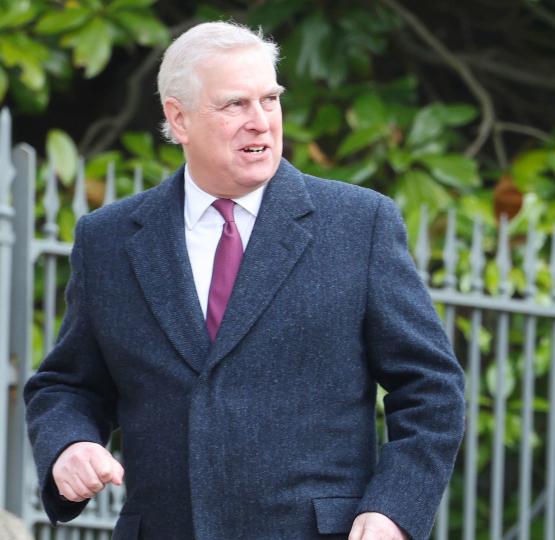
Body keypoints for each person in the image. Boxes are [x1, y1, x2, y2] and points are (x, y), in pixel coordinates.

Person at [24, 21, 465, 540]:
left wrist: (393, 509)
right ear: (178, 118)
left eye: (270, 100)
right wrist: (69, 444)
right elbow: (68, 384)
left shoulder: (358, 224)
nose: (260, 122)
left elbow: (432, 389)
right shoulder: (108, 239)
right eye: (235, 104)